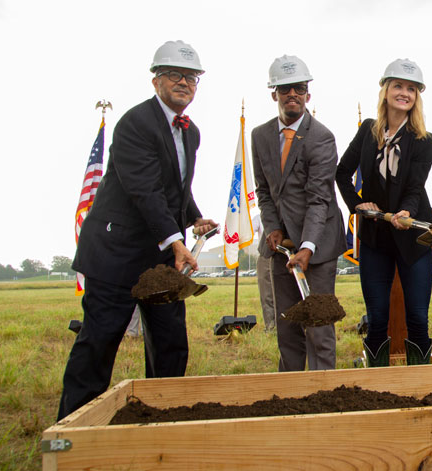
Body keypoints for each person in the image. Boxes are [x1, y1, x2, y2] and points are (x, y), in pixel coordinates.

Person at [58, 40, 217, 420]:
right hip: (116, 253)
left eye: (192, 77)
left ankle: (161, 416)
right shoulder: (135, 123)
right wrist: (177, 241)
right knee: (99, 341)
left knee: (170, 343)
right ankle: (73, 428)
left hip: (158, 256)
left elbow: (175, 186)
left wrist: (193, 216)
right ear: (156, 81)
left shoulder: (189, 132)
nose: (184, 83)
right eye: (175, 75)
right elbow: (144, 189)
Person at [336, 58, 432, 367]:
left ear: (417, 96)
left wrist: (404, 211)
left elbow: (415, 187)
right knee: (377, 316)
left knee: (417, 315)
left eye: (411, 88)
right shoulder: (367, 131)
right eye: (398, 86)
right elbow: (342, 173)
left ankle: (421, 381)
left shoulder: (423, 140)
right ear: (385, 90)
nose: (404, 93)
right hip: (376, 239)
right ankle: (376, 383)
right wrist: (358, 204)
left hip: (413, 239)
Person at [252, 54, 345, 371]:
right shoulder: (260, 136)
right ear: (273, 93)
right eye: (285, 88)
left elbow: (319, 198)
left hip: (316, 245)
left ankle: (323, 394)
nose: (293, 94)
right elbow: (264, 191)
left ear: (308, 94)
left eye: (300, 88)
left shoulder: (321, 137)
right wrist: (273, 229)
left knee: (318, 325)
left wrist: (306, 247)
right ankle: (289, 392)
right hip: (281, 246)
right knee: (287, 322)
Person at [253, 217, 276, 332]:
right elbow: (248, 232)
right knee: (267, 293)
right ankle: (271, 326)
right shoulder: (259, 217)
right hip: (267, 255)